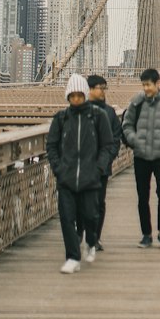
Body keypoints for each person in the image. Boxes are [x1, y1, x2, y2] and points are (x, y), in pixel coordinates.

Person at [46, 73, 113, 273]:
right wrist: (58, 169)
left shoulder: (97, 117)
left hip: (90, 177)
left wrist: (98, 168)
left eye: (79, 95)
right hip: (66, 178)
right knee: (67, 218)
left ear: (84, 95)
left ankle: (91, 242)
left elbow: (107, 145)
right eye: (72, 96)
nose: (76, 99)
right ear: (68, 97)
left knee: (91, 216)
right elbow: (51, 146)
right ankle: (72, 257)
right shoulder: (61, 118)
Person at [122, 66, 160, 246]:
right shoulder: (136, 102)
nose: (146, 89)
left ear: (157, 84)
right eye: (144, 85)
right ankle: (146, 234)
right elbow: (126, 125)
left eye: (149, 85)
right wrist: (134, 140)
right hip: (141, 155)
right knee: (143, 196)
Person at [86, 74, 122, 251]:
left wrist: (107, 159)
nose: (103, 92)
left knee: (99, 203)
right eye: (101, 88)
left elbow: (116, 138)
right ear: (90, 90)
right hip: (82, 167)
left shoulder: (109, 112)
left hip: (101, 167)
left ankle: (95, 238)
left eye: (104, 88)